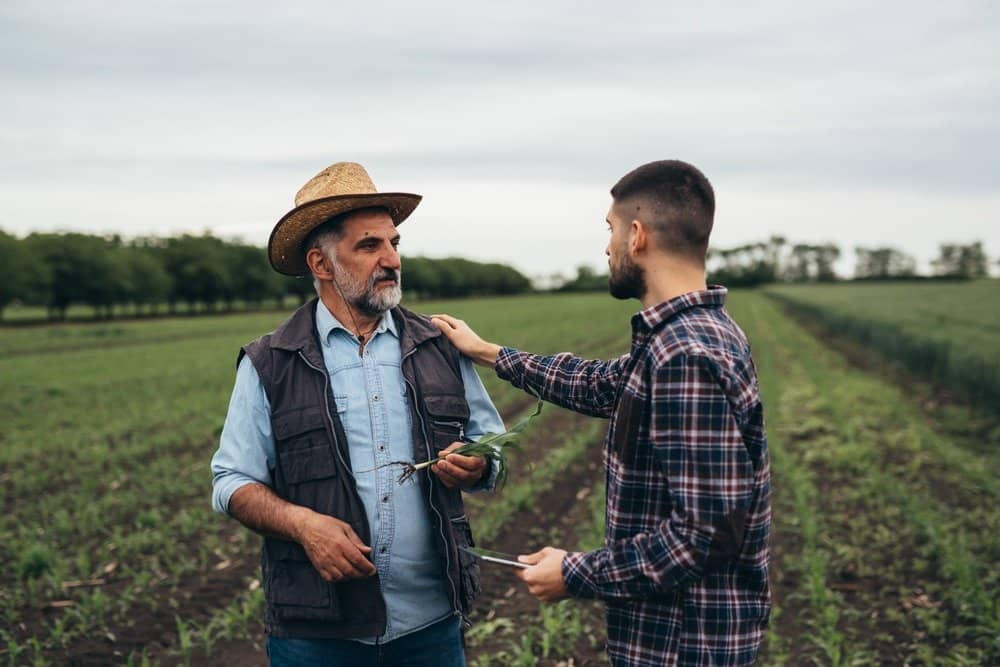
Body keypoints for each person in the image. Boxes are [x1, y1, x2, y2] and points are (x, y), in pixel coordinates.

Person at [432, 160, 771, 666]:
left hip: (681, 644)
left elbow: (704, 536)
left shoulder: (685, 354)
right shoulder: (690, 335)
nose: (607, 246)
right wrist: (489, 352)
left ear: (637, 236)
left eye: (610, 229)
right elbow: (598, 384)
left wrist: (575, 573)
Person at [210, 161, 504, 666]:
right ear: (321, 265)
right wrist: (304, 525)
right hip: (318, 635)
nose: (391, 259)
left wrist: (478, 464)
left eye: (394, 243)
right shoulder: (271, 361)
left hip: (431, 624)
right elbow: (231, 481)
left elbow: (492, 444)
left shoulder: (439, 345)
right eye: (370, 246)